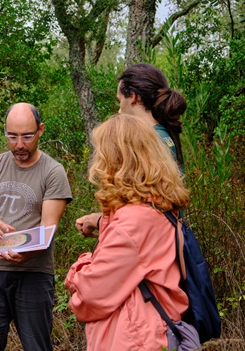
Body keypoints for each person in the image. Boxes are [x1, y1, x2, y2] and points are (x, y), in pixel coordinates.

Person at [64, 113, 190, 350]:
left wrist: (78, 269)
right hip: (150, 334)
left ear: (115, 160)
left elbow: (88, 297)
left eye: (101, 153)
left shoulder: (133, 222)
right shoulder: (157, 206)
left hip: (134, 340)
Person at [0, 102, 72, 351]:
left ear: (41, 131)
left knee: (37, 346)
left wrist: (26, 254)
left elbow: (48, 228)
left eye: (27, 136)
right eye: (12, 137)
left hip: (34, 273)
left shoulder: (53, 171)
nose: (19, 145)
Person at [76, 63, 187, 238]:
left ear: (133, 97)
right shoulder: (164, 134)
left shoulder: (148, 142)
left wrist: (98, 221)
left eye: (120, 101)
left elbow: (143, 216)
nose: (119, 110)